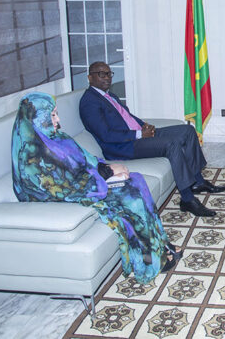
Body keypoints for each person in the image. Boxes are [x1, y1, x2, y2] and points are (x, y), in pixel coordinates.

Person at [11, 92, 182, 284]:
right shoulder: (32, 154)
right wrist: (107, 177)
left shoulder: (57, 137)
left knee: (137, 180)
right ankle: (149, 260)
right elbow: (62, 187)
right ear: (38, 117)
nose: (58, 120)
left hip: (86, 183)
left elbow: (86, 160)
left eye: (56, 113)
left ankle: (159, 243)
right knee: (131, 196)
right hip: (66, 197)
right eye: (52, 115)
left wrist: (108, 169)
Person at [79, 62, 225, 218]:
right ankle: (187, 199)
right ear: (90, 77)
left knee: (188, 131)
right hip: (123, 146)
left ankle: (198, 182)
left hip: (138, 135)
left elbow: (127, 116)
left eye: (109, 74)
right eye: (102, 74)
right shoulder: (89, 102)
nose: (107, 78)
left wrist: (144, 125)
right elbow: (106, 135)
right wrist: (139, 134)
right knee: (172, 144)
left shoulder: (109, 95)